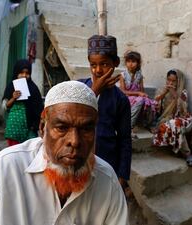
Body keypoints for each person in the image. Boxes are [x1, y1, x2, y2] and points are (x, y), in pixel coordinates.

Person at [0, 81, 129, 225]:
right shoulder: (5, 169)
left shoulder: (107, 182)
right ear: (42, 128)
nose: (75, 141)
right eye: (62, 128)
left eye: (86, 129)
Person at [80, 35, 132, 195]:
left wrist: (122, 175)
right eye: (93, 65)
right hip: (79, 158)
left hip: (106, 161)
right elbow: (74, 112)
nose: (97, 70)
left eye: (104, 64)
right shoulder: (79, 87)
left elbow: (125, 139)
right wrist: (94, 91)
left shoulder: (120, 99)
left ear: (115, 63)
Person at [152, 69, 192, 166]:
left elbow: (183, 111)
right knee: (170, 125)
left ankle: (188, 154)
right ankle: (184, 152)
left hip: (185, 120)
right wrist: (163, 94)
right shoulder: (162, 90)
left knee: (175, 123)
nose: (170, 83)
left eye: (173, 81)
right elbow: (155, 105)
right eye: (169, 80)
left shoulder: (183, 92)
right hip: (169, 120)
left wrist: (174, 94)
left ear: (179, 81)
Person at [2, 59, 43, 146]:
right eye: (21, 73)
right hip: (14, 126)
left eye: (27, 73)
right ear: (16, 73)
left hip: (30, 127)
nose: (24, 75)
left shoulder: (33, 88)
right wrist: (13, 98)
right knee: (14, 151)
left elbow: (39, 108)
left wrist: (35, 125)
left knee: (30, 150)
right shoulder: (11, 86)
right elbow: (5, 106)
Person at [118, 51, 157, 131]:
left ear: (138, 63)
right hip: (126, 97)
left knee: (151, 102)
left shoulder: (139, 75)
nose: (130, 64)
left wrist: (144, 96)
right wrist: (138, 93)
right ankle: (129, 125)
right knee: (140, 100)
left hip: (137, 97)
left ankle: (148, 124)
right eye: (128, 61)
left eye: (133, 61)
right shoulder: (123, 75)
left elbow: (141, 90)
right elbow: (123, 91)